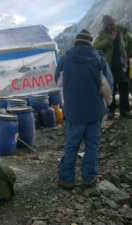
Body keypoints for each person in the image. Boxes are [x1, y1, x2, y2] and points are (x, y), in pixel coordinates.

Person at [55, 29, 113, 189]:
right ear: (90, 43)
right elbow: (107, 85)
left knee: (72, 144)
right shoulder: (98, 59)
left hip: (74, 111)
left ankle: (67, 179)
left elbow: (58, 82)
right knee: (92, 144)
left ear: (76, 42)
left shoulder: (66, 59)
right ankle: (89, 177)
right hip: (94, 111)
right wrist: (108, 103)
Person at [94, 15, 132, 119]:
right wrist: (109, 39)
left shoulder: (123, 31)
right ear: (106, 26)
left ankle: (125, 110)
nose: (112, 26)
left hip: (123, 64)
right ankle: (111, 110)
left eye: (113, 23)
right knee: (111, 88)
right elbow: (96, 46)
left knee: (124, 86)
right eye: (110, 25)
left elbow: (130, 42)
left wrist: (130, 54)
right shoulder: (103, 34)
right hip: (110, 65)